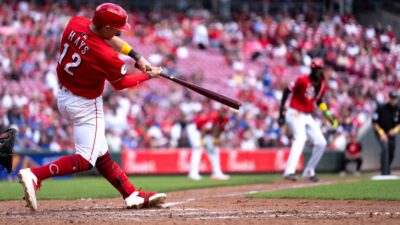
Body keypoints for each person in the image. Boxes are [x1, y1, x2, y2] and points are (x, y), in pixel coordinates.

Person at [18, 3, 166, 211]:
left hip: (64, 96)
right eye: (116, 29)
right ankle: (36, 174)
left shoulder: (75, 23)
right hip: (86, 105)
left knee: (102, 156)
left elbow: (105, 37)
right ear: (106, 27)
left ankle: (130, 194)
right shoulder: (107, 56)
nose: (118, 33)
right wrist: (148, 75)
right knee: (86, 160)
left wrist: (137, 57)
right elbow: (120, 84)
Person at [278, 58, 338, 182]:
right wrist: (281, 113)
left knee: (321, 142)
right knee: (300, 138)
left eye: (319, 69)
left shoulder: (321, 84)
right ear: (312, 69)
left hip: (306, 115)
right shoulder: (302, 80)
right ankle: (289, 171)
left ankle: (309, 171)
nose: (317, 71)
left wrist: (328, 114)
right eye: (315, 69)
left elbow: (319, 101)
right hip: (294, 112)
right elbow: (286, 91)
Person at [187, 107, 230, 180]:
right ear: (219, 111)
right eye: (223, 111)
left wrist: (216, 139)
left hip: (207, 134)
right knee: (198, 149)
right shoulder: (213, 116)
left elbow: (220, 130)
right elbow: (204, 128)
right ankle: (193, 174)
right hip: (196, 130)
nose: (224, 113)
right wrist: (201, 140)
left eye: (226, 112)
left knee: (215, 151)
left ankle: (217, 173)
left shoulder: (226, 119)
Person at [372, 91, 400, 176]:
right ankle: (384, 173)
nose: (393, 100)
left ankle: (387, 169)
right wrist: (381, 133)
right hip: (380, 133)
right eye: (392, 98)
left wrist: (394, 130)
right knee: (385, 149)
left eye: (395, 98)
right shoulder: (381, 108)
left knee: (391, 151)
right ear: (389, 98)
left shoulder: (398, 109)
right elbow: (374, 123)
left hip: (391, 134)